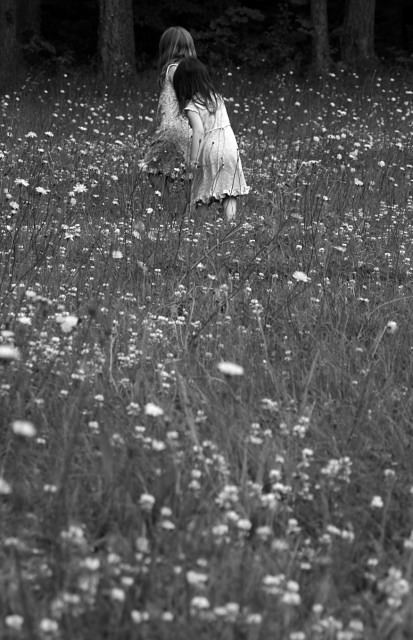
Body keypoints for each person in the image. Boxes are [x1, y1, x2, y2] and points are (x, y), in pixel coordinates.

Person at [173, 57, 249, 222]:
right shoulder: (218, 99)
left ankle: (200, 225)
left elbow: (199, 131)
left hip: (210, 149)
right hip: (230, 147)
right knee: (229, 189)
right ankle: (230, 224)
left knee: (203, 191)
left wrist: (192, 160)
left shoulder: (192, 106)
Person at [141, 27, 197, 193]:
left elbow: (187, 93)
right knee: (187, 173)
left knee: (152, 167)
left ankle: (165, 204)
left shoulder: (173, 68)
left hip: (172, 128)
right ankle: (188, 211)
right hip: (190, 128)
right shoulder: (193, 71)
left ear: (166, 48)